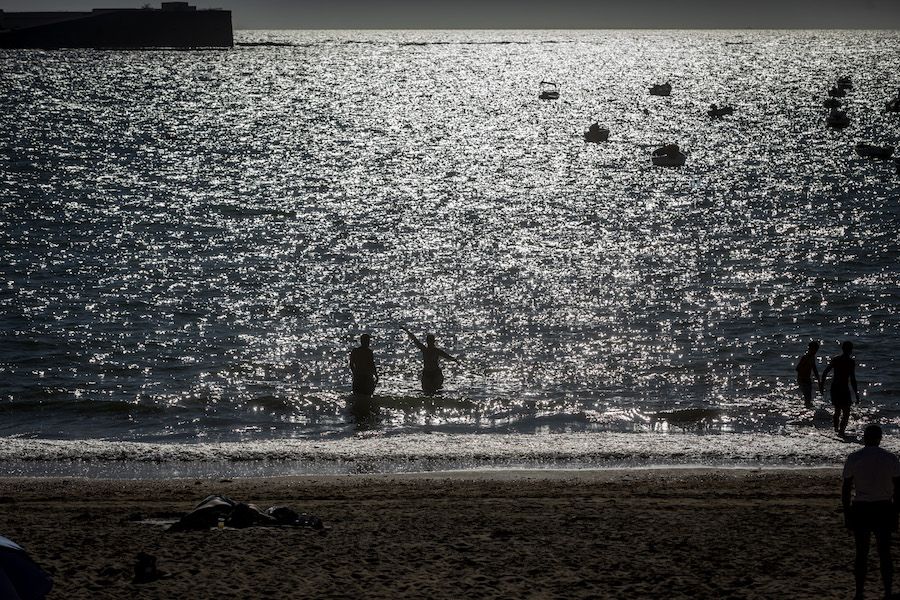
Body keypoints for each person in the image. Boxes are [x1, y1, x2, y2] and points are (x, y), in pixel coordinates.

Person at [842, 424, 900, 600]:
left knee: (861, 553)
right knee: (885, 553)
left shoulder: (854, 458)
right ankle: (888, 591)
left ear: (864, 437)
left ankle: (859, 592)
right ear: (880, 438)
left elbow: (846, 488)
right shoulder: (890, 458)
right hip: (883, 506)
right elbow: (898, 488)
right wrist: (895, 511)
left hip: (862, 507)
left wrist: (847, 512)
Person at [401, 327, 458, 394]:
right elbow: (414, 339)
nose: (430, 343)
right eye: (429, 341)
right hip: (427, 373)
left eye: (431, 341)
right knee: (427, 393)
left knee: (437, 392)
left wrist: (455, 360)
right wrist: (406, 330)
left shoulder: (437, 351)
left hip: (436, 373)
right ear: (427, 342)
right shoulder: (424, 349)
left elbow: (447, 356)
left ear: (433, 342)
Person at [822, 341, 860, 436]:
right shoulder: (851, 362)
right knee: (846, 411)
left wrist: (821, 385)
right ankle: (841, 431)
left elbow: (825, 372)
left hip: (835, 387)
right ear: (851, 350)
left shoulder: (836, 359)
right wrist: (856, 393)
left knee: (837, 410)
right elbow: (852, 379)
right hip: (843, 387)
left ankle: (836, 429)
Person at [795, 341, 821, 408]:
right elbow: (798, 368)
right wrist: (803, 374)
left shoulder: (812, 357)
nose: (815, 351)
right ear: (810, 349)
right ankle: (806, 409)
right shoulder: (805, 357)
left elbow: (814, 368)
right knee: (807, 396)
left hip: (807, 379)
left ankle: (807, 408)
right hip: (803, 379)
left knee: (809, 396)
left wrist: (818, 378)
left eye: (816, 350)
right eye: (814, 350)